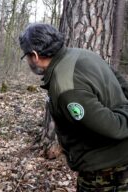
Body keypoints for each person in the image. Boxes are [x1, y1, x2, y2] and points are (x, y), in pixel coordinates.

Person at [19, 23, 128, 191]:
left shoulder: (66, 89)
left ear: (34, 55)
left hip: (107, 173)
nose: (28, 61)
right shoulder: (83, 55)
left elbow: (115, 127)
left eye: (26, 56)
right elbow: (120, 81)